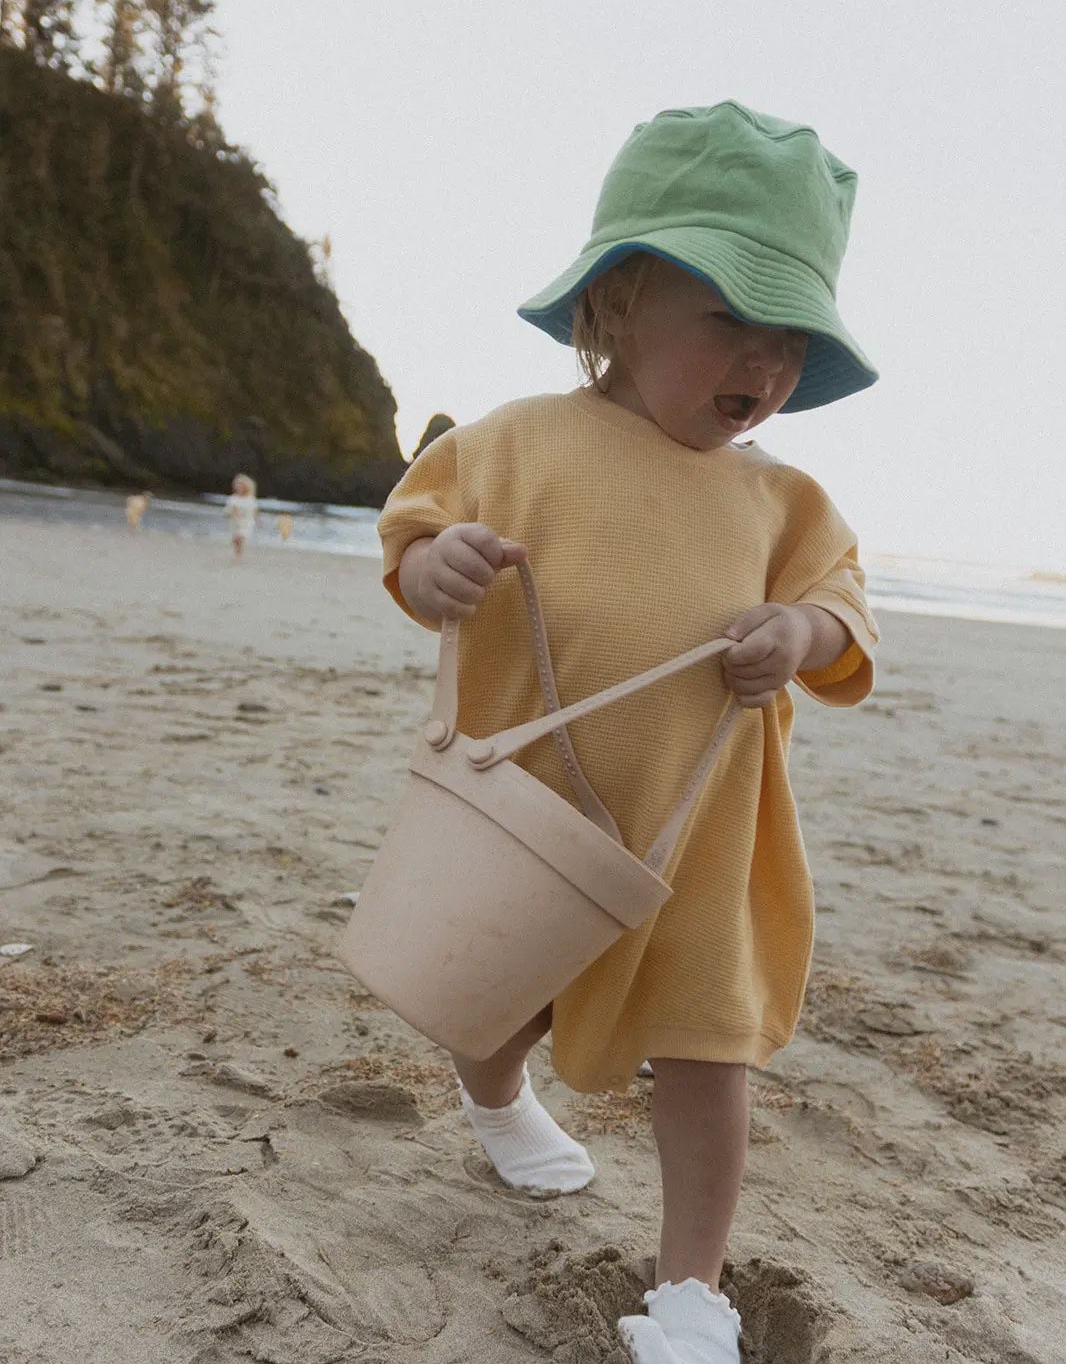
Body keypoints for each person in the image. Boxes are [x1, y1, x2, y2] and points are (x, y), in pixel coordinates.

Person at [376, 102, 881, 1364]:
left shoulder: (783, 496)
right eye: (729, 319)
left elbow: (839, 612)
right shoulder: (515, 440)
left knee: (711, 1046)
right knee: (497, 1005)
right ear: (618, 301)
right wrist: (437, 563)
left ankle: (692, 1290)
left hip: (700, 832)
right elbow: (411, 529)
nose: (764, 365)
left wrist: (798, 636)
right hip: (531, 814)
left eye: (789, 341)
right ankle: (493, 1095)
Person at [224, 473, 258, 559]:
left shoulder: (250, 499)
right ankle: (238, 554)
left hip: (246, 522)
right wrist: (231, 512)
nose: (239, 487)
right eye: (237, 485)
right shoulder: (233, 498)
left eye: (241, 485)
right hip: (234, 522)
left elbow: (254, 510)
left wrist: (257, 519)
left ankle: (239, 554)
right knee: (237, 540)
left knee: (240, 537)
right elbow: (227, 510)